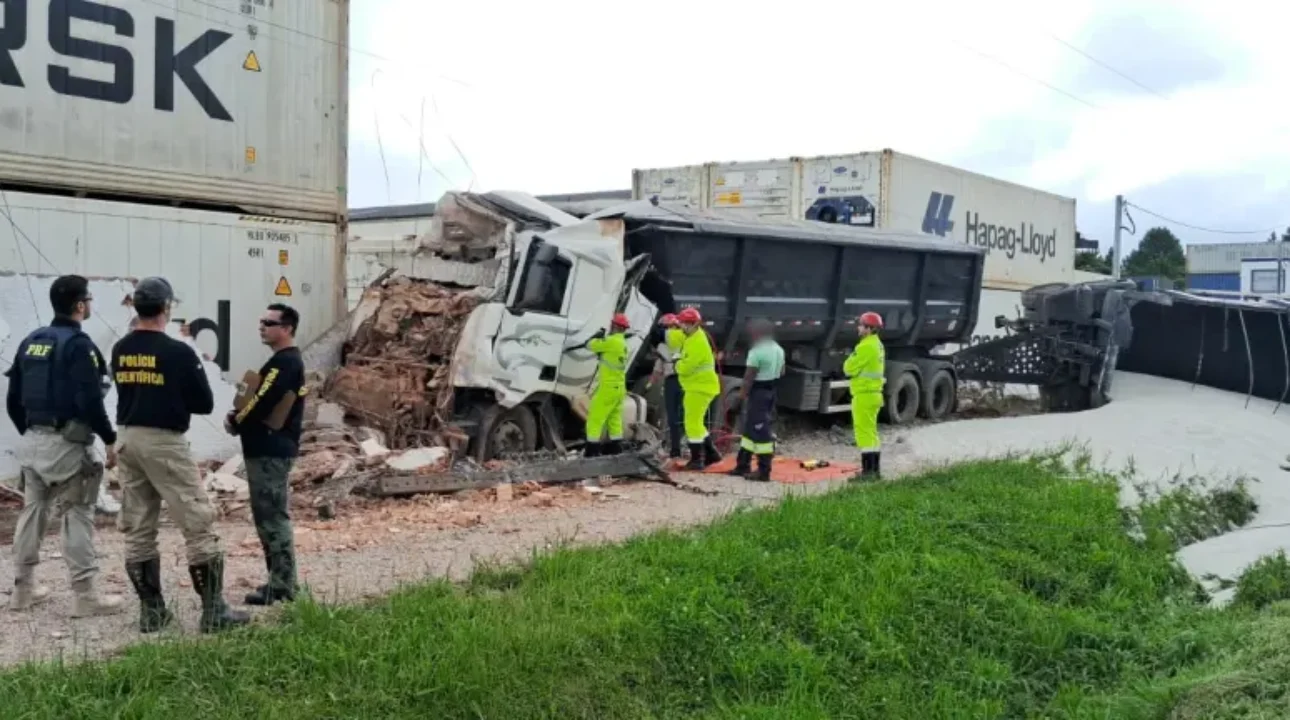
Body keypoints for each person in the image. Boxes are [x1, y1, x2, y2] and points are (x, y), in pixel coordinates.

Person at [112, 277, 249, 633]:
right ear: (166, 308)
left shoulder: (121, 348)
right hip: (164, 442)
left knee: (139, 528)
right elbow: (203, 402)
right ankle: (214, 611)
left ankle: (153, 613)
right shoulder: (178, 352)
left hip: (127, 438)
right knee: (197, 522)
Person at [5, 275, 123, 616]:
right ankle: (85, 596)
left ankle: (23, 590)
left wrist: (31, 433)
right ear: (81, 305)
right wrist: (110, 438)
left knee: (32, 512)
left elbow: (13, 400)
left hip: (33, 443)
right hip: (68, 445)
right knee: (78, 514)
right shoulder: (79, 346)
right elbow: (90, 400)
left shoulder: (32, 341)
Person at [225, 303, 307, 607]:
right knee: (268, 517)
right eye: (262, 321)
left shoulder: (284, 364)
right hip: (266, 448)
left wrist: (235, 420)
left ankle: (284, 585)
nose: (262, 327)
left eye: (269, 323)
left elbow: (261, 400)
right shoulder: (281, 362)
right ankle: (280, 581)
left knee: (273, 517)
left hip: (271, 449)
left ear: (286, 329)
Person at [731, 318, 785, 482]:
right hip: (771, 391)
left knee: (761, 431)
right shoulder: (778, 349)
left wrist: (739, 399)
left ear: (757, 333)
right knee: (750, 428)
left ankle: (763, 470)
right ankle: (743, 465)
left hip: (759, 393)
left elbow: (748, 378)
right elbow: (782, 372)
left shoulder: (757, 351)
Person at [675, 307, 723, 470]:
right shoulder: (695, 337)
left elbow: (686, 367)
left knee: (692, 423)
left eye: (682, 323)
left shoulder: (697, 342)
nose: (680, 327)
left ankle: (697, 460)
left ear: (691, 324)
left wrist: (677, 364)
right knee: (697, 423)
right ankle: (711, 454)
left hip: (699, 387)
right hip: (700, 386)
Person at [581, 313, 631, 457]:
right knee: (614, 420)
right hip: (619, 388)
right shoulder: (622, 343)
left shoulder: (612, 341)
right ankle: (615, 450)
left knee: (595, 419)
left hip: (608, 388)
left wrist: (595, 337)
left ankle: (592, 453)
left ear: (615, 326)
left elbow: (590, 345)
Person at [844, 311, 886, 479]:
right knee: (872, 433)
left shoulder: (865, 346)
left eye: (861, 325)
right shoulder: (878, 344)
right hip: (874, 394)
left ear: (869, 329)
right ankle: (874, 472)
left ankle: (868, 473)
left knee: (864, 433)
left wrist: (848, 361)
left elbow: (848, 368)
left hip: (864, 394)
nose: (858, 328)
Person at [649, 313, 685, 459]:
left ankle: (678, 447)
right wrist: (650, 382)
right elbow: (658, 367)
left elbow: (659, 368)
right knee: (676, 416)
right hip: (679, 381)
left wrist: (651, 382)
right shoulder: (669, 345)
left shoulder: (671, 343)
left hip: (677, 380)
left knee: (676, 416)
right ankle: (678, 447)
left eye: (667, 328)